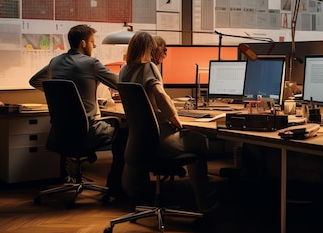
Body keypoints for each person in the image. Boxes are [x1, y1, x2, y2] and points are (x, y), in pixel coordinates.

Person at [119, 31, 218, 213]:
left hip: (137, 143)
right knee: (200, 141)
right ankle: (205, 201)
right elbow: (161, 96)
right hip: (159, 140)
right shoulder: (148, 67)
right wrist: (176, 120)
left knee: (191, 140)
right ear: (149, 48)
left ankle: (164, 192)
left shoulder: (124, 71)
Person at [29, 24, 126, 198]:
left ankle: (71, 174)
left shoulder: (56, 62)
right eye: (92, 42)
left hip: (61, 132)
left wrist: (59, 95)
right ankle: (116, 187)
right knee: (124, 130)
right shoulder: (91, 64)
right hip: (87, 131)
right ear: (83, 43)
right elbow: (123, 85)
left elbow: (35, 81)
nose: (94, 46)